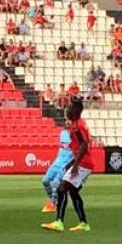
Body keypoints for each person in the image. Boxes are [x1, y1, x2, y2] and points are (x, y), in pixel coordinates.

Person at [42, 98, 93, 233]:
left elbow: (83, 145)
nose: (67, 109)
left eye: (70, 107)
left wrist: (75, 165)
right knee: (73, 192)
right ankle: (83, 224)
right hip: (83, 163)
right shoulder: (78, 124)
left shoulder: (77, 125)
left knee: (61, 189)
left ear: (76, 111)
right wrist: (71, 164)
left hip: (83, 163)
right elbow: (79, 147)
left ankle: (59, 222)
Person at [41, 127, 74, 212]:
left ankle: (53, 203)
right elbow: (64, 146)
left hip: (67, 163)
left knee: (56, 182)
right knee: (45, 181)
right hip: (57, 162)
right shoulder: (63, 133)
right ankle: (55, 201)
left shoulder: (77, 135)